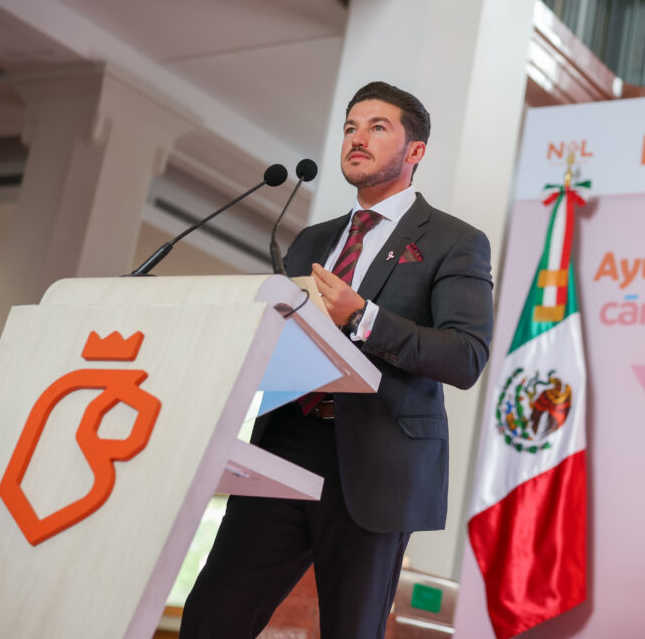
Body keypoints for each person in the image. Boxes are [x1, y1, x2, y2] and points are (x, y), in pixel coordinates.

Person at [180, 81, 494, 638]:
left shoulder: (453, 240)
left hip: (376, 461)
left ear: (415, 150)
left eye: (377, 127)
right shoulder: (312, 239)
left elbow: (465, 356)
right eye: (351, 127)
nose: (357, 138)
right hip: (285, 446)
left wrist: (363, 317)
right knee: (211, 618)